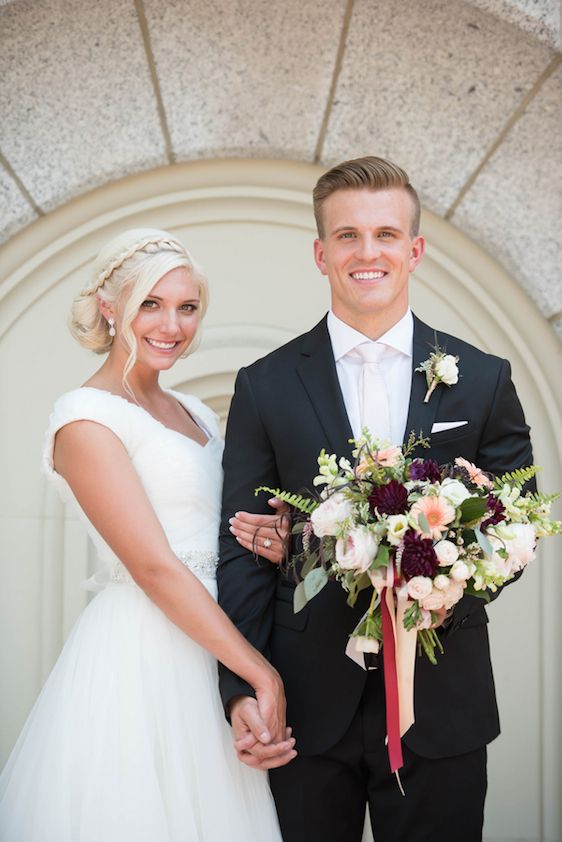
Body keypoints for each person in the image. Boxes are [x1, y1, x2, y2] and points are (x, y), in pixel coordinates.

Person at [219, 157, 534, 842]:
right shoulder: (264, 385)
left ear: (414, 250)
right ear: (321, 252)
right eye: (348, 236)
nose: (368, 253)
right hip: (304, 707)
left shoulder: (482, 380)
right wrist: (242, 688)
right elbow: (240, 549)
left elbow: (517, 526)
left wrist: (443, 585)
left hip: (442, 703)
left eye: (387, 234)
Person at [0, 228, 294, 841]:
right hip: (146, 653)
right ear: (111, 308)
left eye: (187, 307)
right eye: (150, 305)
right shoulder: (85, 419)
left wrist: (270, 539)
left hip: (216, 649)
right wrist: (261, 674)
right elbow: (155, 568)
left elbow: (220, 532)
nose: (172, 325)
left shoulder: (200, 414)